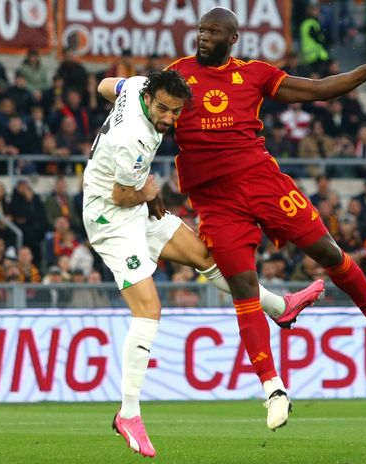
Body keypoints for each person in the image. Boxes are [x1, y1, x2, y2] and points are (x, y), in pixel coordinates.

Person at [166, 5, 366, 430]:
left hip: (262, 181)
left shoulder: (256, 74)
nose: (203, 36)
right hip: (213, 200)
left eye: (213, 31)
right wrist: (112, 87)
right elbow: (139, 100)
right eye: (201, 30)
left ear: (232, 38)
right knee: (244, 287)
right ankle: (273, 389)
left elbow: (318, 89)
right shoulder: (178, 74)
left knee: (328, 251)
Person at [83, 71, 324, 457]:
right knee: (149, 309)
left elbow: (103, 84)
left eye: (175, 111)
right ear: (149, 98)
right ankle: (128, 414)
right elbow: (122, 194)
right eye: (162, 109)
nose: (167, 118)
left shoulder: (136, 87)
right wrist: (149, 190)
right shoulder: (136, 138)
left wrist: (145, 192)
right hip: (110, 217)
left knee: (205, 257)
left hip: (135, 208)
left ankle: (279, 308)